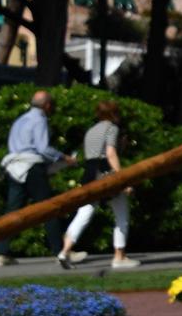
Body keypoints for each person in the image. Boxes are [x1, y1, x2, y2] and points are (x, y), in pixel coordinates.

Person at [0, 91, 77, 266]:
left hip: (13, 167)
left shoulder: (19, 120)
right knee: (49, 208)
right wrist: (64, 158)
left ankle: (2, 252)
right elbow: (43, 148)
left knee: (12, 210)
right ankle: (61, 251)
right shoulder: (39, 120)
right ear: (47, 105)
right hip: (31, 167)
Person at [58, 99, 138, 269]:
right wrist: (122, 179)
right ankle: (119, 256)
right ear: (113, 113)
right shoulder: (112, 128)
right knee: (121, 213)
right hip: (105, 171)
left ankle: (65, 250)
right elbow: (110, 153)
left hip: (90, 171)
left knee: (85, 211)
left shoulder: (91, 130)